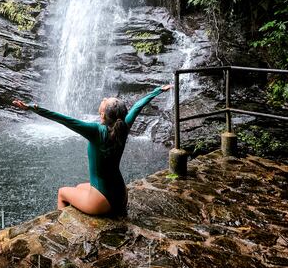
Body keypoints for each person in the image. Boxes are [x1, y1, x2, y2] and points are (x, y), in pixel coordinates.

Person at [12, 84, 172, 217]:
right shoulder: (124, 126)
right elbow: (138, 105)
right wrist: (159, 90)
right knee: (80, 187)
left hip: (102, 201)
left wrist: (32, 108)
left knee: (62, 192)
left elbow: (62, 119)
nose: (104, 99)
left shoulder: (95, 131)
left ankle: (62, 228)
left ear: (102, 114)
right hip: (121, 195)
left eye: (107, 101)